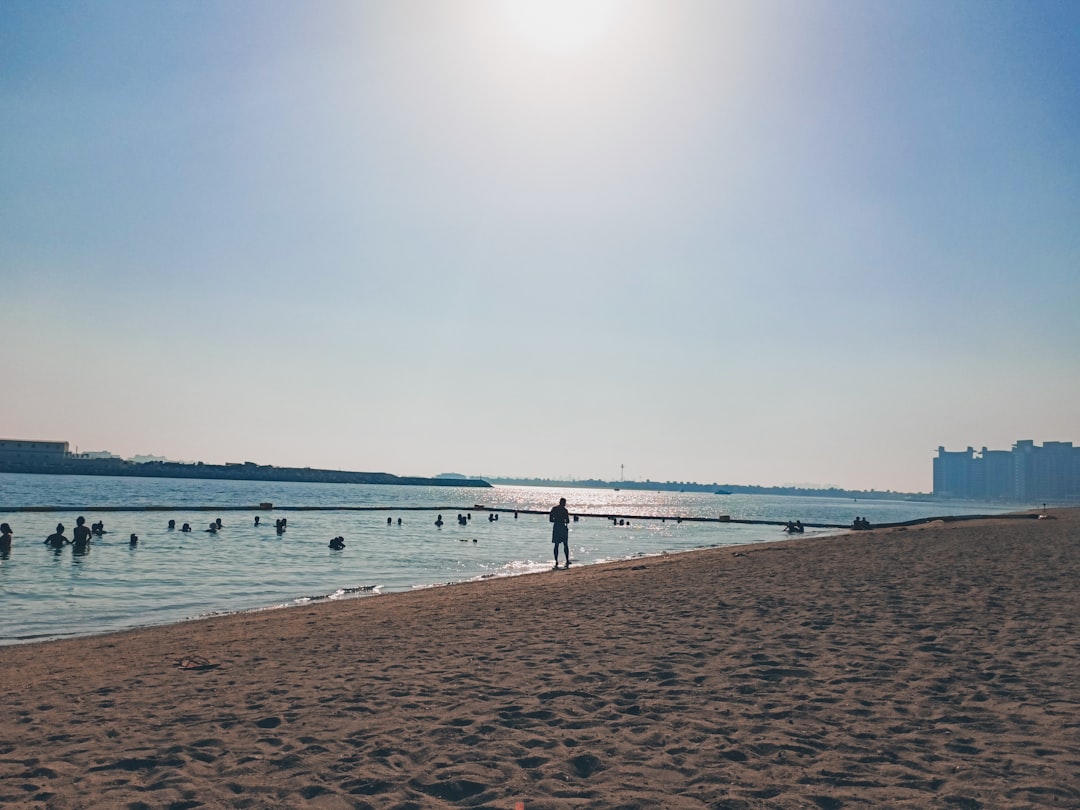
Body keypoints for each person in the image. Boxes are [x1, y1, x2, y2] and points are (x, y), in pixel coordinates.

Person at [549, 497, 570, 568]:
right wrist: (562, 521)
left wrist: (556, 520)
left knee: (556, 545)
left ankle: (556, 560)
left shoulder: (554, 509)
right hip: (562, 527)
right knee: (565, 544)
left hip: (556, 527)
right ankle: (567, 560)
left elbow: (551, 519)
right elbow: (568, 521)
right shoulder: (565, 510)